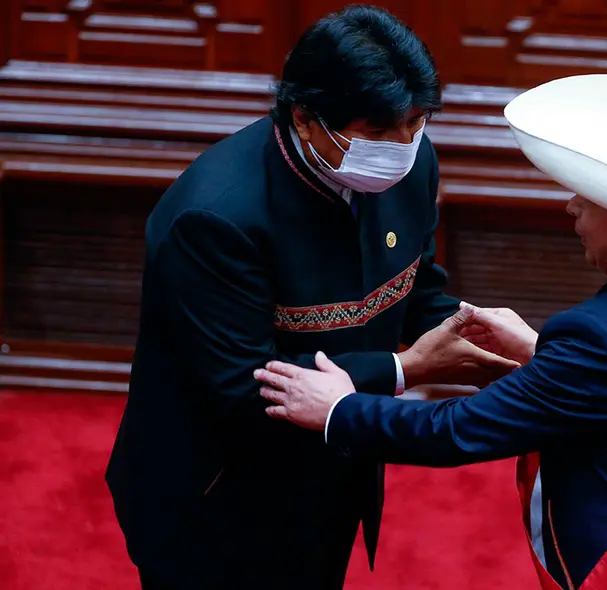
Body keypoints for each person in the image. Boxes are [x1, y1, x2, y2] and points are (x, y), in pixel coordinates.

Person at [254, 73, 607, 589]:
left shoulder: (601, 337)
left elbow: (459, 431)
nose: (572, 206)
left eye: (595, 195)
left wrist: (337, 409)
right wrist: (544, 357)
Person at [104, 6, 518, 589]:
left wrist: (484, 335)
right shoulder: (216, 218)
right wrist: (405, 369)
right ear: (304, 118)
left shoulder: (410, 162)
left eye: (417, 122)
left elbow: (415, 282)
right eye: (377, 132)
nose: (402, 147)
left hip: (332, 465)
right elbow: (242, 389)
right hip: (218, 499)